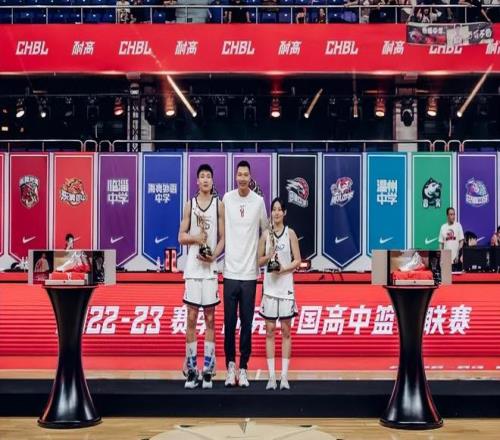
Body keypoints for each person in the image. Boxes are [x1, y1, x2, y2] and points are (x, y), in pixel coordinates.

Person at [178, 164, 225, 389]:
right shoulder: (190, 204)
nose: (205, 180)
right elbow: (181, 236)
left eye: (208, 176)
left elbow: (223, 238)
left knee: (210, 319)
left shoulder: (218, 205)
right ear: (197, 181)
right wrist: (196, 239)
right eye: (202, 176)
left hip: (210, 270)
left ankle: (208, 370)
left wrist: (213, 256)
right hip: (193, 269)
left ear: (212, 181)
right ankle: (191, 369)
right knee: (191, 318)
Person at [223, 160, 267, 388]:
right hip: (230, 271)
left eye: (245, 175)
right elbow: (220, 231)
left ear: (250, 177)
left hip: (250, 273)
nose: (242, 178)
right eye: (239, 174)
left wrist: (262, 257)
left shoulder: (258, 201)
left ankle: (243, 367)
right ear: (235, 177)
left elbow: (266, 231)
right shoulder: (227, 199)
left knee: (247, 324)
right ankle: (230, 366)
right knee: (229, 324)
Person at [258, 197, 301, 390]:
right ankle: (271, 377)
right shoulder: (266, 235)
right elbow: (258, 260)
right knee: (269, 331)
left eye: (279, 210)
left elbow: (297, 260)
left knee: (286, 331)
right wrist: (269, 256)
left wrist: (283, 269)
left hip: (286, 288)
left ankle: (284, 376)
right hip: (269, 288)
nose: (276, 213)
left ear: (284, 213)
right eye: (273, 209)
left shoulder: (290, 233)